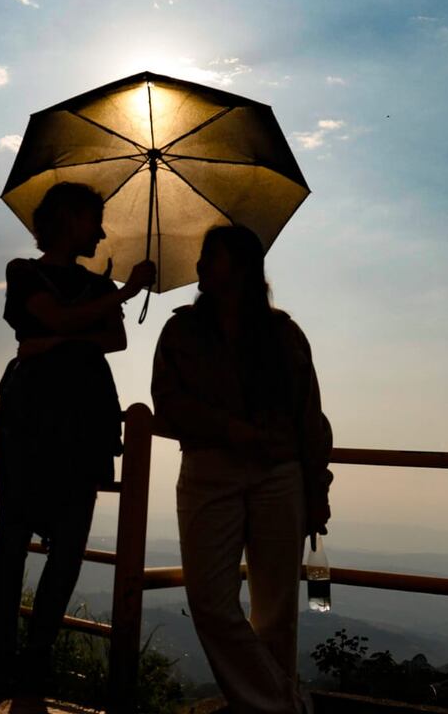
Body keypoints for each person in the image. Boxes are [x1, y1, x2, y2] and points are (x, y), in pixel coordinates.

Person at [151, 225, 333, 714]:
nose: (200, 265)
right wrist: (230, 430)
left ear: (244, 266)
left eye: (212, 255)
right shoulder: (181, 330)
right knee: (210, 600)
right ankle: (285, 705)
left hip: (281, 474)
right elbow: (166, 403)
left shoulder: (284, 334)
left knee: (276, 611)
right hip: (210, 468)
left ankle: (267, 708)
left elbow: (309, 417)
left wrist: (318, 489)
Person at [0, 182, 156, 696]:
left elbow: (116, 339)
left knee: (66, 546)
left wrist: (51, 340)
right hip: (34, 418)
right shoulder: (25, 271)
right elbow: (73, 322)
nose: (101, 231)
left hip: (79, 419)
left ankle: (31, 658)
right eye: (94, 219)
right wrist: (119, 296)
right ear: (67, 218)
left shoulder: (93, 285)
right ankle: (4, 656)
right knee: (15, 536)